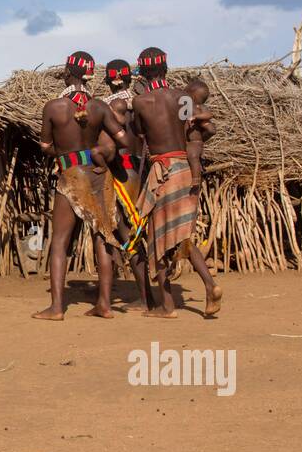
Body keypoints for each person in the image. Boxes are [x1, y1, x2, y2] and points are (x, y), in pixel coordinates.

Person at [33, 51, 127, 321]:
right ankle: (105, 305)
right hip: (98, 175)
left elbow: (46, 146)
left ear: (67, 72)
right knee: (103, 238)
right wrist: (101, 152)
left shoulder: (54, 107)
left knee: (60, 242)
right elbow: (122, 140)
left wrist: (63, 153)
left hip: (71, 175)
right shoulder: (99, 107)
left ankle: (57, 308)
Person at [127, 48, 200, 318]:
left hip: (162, 170)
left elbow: (141, 133)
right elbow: (190, 131)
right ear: (166, 68)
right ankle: (209, 285)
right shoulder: (184, 97)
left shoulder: (141, 102)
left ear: (143, 73)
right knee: (182, 232)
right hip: (184, 167)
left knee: (156, 236)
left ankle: (167, 306)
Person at [99, 58, 153, 309]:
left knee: (121, 235)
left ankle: (141, 298)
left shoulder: (109, 107)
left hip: (119, 174)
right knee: (134, 234)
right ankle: (144, 296)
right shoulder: (142, 104)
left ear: (110, 80)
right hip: (138, 172)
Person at [181, 77, 223, 318]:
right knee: (183, 237)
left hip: (181, 169)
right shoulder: (195, 107)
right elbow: (212, 129)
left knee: (181, 238)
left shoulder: (185, 103)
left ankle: (207, 284)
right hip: (193, 160)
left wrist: (190, 139)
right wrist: (199, 139)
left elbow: (186, 124)